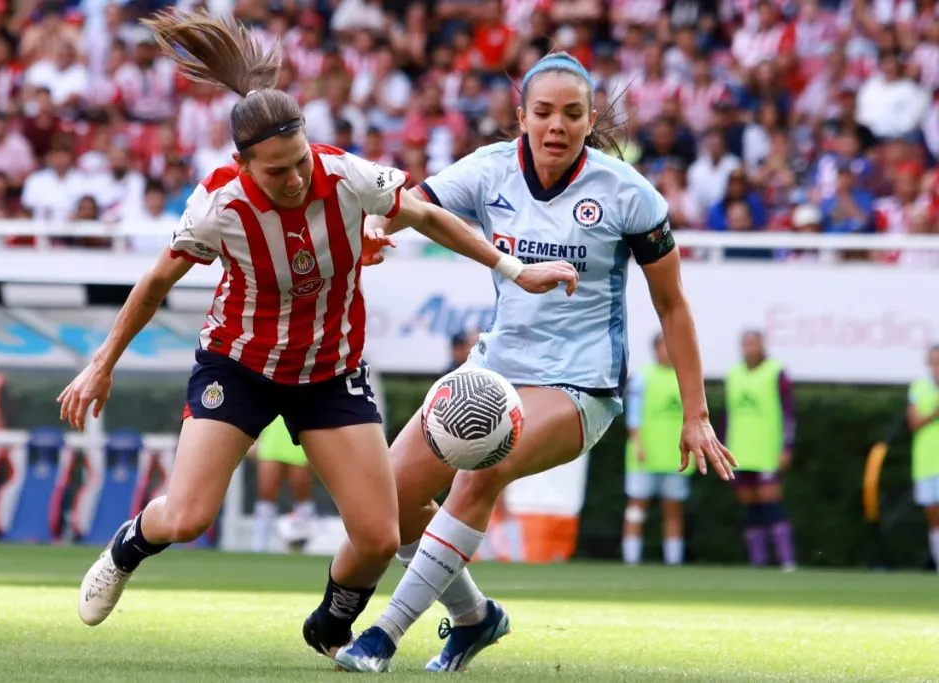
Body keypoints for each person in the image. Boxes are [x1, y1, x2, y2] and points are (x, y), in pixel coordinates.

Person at [58, 11, 579, 629]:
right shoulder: (217, 207)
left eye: (300, 160)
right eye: (276, 171)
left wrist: (513, 269)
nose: (295, 178)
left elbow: (429, 216)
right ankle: (128, 547)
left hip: (330, 372)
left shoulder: (344, 175)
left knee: (380, 535)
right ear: (243, 163)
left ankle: (330, 624)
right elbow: (153, 285)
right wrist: (101, 364)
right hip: (240, 364)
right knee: (190, 517)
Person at [305, 51, 737, 673]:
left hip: (580, 386)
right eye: (543, 113)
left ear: (590, 120)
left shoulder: (628, 194)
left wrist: (696, 413)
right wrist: (378, 226)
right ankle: (478, 618)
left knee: (481, 466)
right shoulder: (491, 170)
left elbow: (673, 306)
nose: (556, 125)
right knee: (389, 500)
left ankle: (384, 636)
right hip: (494, 368)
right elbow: (415, 202)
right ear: (522, 117)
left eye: (571, 114)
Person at [725, 330, 797, 571]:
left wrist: (786, 446)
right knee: (750, 506)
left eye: (754, 344)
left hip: (767, 450)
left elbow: (788, 414)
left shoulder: (776, 372)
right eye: (745, 344)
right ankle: (758, 561)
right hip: (740, 451)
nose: (750, 348)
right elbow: (728, 415)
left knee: (771, 502)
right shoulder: (733, 374)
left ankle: (786, 559)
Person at [622, 333, 690, 566]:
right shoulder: (643, 377)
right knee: (637, 507)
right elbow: (633, 416)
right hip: (645, 456)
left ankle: (673, 561)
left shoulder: (685, 378)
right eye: (664, 346)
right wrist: (639, 445)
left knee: (673, 509)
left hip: (674, 455)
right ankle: (631, 558)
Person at [250, 415, 316, 553]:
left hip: (300, 426)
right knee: (266, 489)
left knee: (300, 485)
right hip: (273, 430)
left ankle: (303, 542)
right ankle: (259, 545)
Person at [908, 344, 939, 573]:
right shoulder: (919, 388)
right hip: (927, 462)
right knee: (933, 516)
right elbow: (914, 423)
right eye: (934, 362)